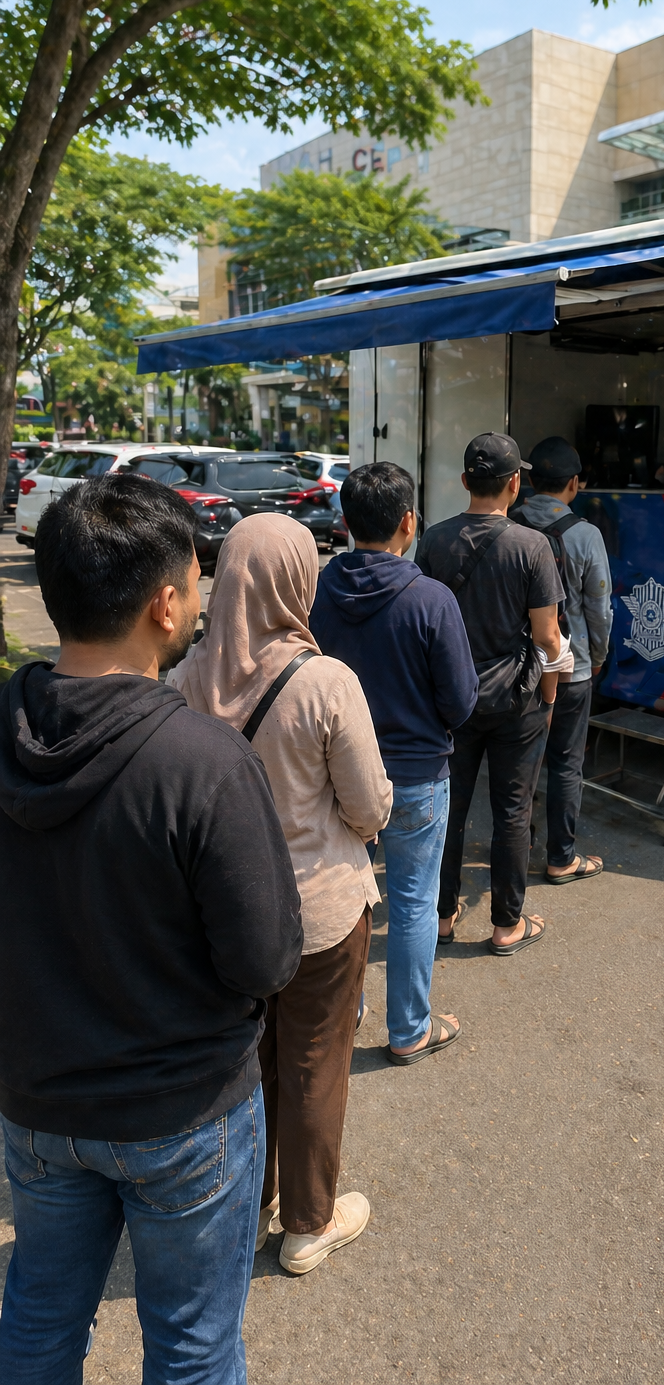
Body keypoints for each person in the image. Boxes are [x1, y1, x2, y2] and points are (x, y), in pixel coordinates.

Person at [0, 475, 302, 1380]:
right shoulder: (203, 762)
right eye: (196, 584)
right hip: (182, 1109)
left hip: (36, 1099)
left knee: (39, 1317)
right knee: (193, 1346)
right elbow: (265, 958)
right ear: (164, 605)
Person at [170, 515, 392, 1276]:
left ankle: (253, 1196)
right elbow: (368, 806)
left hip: (223, 915)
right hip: (321, 912)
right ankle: (307, 1224)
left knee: (248, 1064)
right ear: (299, 581)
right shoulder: (326, 682)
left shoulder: (184, 680)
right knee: (315, 1064)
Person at [310, 462, 478, 1065]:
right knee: (411, 903)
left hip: (339, 775)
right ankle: (409, 1030)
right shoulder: (431, 600)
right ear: (409, 522)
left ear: (346, 521)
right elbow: (460, 702)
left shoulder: (318, 592)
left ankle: (342, 1015)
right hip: (416, 776)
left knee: (350, 900)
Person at [415, 433, 565, 956]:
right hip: (515, 701)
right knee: (513, 811)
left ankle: (441, 916)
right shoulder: (532, 546)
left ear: (465, 481)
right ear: (515, 484)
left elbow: (423, 624)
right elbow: (548, 637)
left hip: (449, 700)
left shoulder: (434, 541)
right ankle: (506, 925)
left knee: (448, 809)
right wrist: (550, 695)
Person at [513, 436, 613, 883]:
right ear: (574, 483)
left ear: (531, 481)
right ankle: (561, 857)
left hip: (518, 666)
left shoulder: (509, 525)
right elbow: (599, 609)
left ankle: (519, 844)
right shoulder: (585, 535)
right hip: (570, 667)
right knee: (566, 763)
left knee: (520, 763)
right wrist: (597, 656)